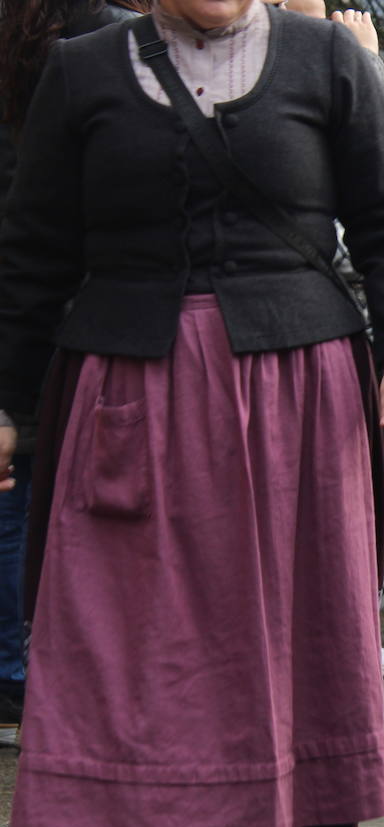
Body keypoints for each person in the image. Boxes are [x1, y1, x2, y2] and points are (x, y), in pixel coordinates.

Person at [0, 0, 384, 827]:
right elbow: (32, 253)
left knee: (277, 650)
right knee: (114, 647)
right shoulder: (83, 69)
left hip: (297, 405)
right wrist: (7, 402)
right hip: (127, 395)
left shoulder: (326, 57)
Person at [0, 0, 150, 735]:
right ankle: (34, 673)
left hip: (36, 297)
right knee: (67, 513)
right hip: (89, 310)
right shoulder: (114, 38)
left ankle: (20, 669)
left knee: (18, 498)